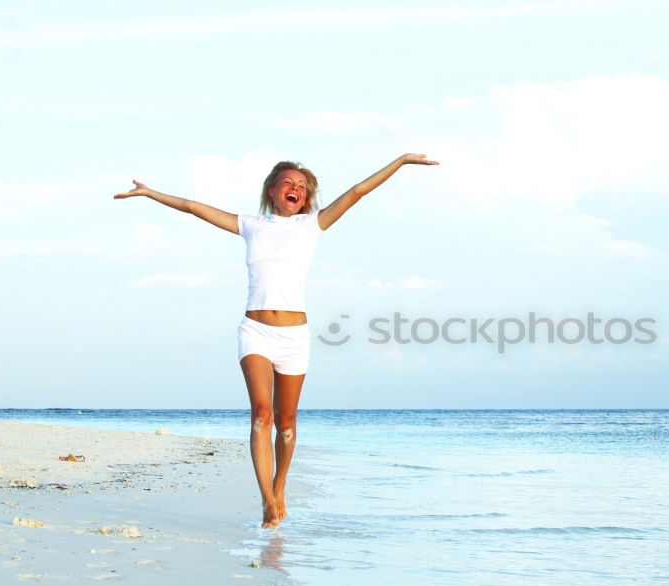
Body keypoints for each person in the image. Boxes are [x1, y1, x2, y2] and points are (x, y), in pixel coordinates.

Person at [114, 153, 438, 527]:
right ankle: (267, 500)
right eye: (289, 183)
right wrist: (150, 193)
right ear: (272, 190)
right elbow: (192, 208)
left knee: (286, 422)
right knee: (262, 414)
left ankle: (280, 484)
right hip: (255, 331)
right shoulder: (252, 225)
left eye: (302, 186)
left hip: (295, 337)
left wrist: (401, 162)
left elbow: (358, 192)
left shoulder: (311, 225)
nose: (296, 189)